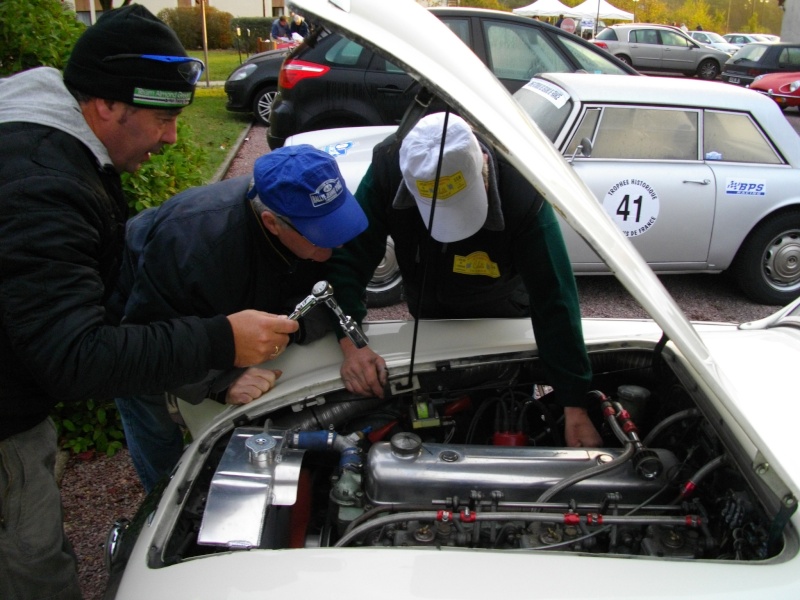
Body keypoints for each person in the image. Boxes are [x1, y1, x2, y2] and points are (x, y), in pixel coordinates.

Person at [0, 5, 300, 599]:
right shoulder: (41, 186)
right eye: (162, 118)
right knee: (34, 568)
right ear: (108, 104)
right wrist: (223, 341)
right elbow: (77, 357)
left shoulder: (49, 148)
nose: (171, 137)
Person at [324, 112, 603, 449]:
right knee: (433, 418)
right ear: (408, 186)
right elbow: (349, 258)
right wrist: (351, 341)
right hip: (428, 321)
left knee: (503, 416)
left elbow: (555, 297)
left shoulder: (523, 189)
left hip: (500, 320)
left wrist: (574, 404)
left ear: (483, 167)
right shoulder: (389, 166)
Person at [112, 145, 367, 493]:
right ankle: (167, 495)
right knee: (150, 415)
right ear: (271, 223)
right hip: (137, 311)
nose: (333, 248)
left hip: (214, 300)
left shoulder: (301, 212)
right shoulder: (193, 246)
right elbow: (144, 340)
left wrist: (294, 329)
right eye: (321, 237)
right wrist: (221, 380)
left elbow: (326, 288)